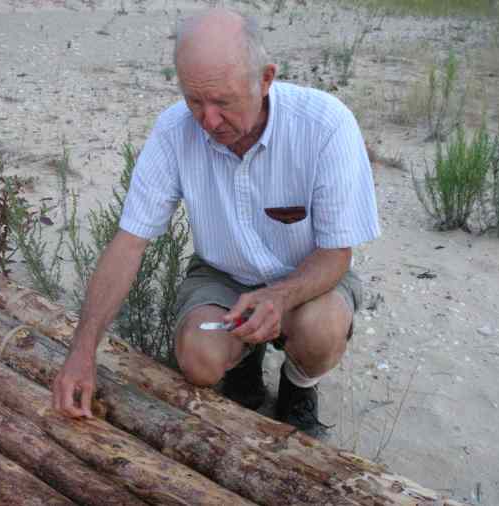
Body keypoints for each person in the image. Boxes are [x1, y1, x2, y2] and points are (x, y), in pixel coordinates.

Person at [52, 8, 379, 435]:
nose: (208, 121)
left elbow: (336, 253)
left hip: (307, 275)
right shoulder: (173, 132)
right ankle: (243, 368)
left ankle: (298, 387)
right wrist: (82, 351)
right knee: (199, 358)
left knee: (322, 331)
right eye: (194, 100)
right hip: (223, 275)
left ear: (265, 79)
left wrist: (279, 297)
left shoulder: (325, 125)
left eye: (223, 101)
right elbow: (128, 244)